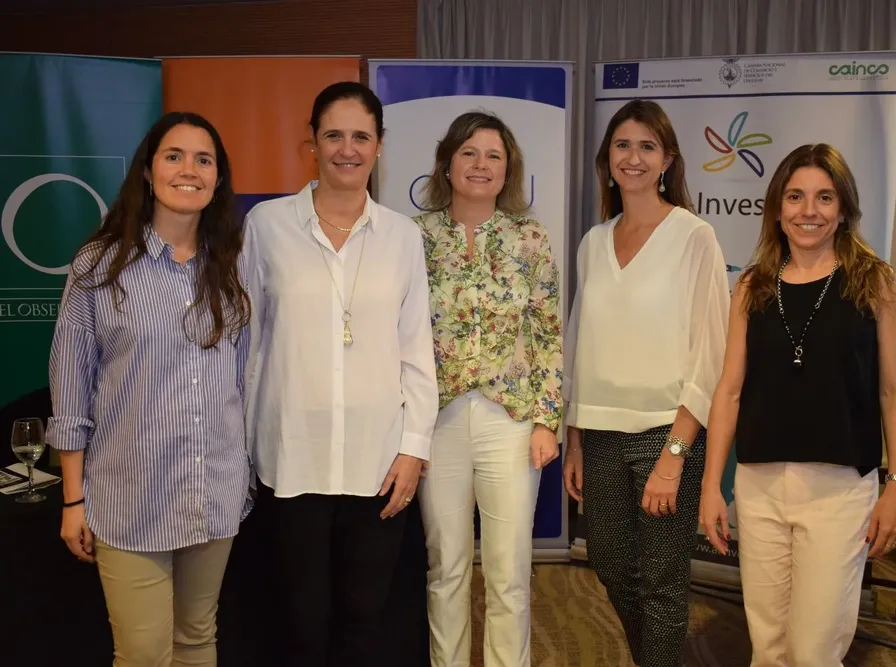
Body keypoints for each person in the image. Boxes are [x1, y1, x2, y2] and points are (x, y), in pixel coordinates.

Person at [242, 81, 438, 666]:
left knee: (363, 619)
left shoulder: (402, 235)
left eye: (360, 136)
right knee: (299, 620)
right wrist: (243, 445)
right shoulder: (266, 225)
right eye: (334, 135)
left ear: (379, 146)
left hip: (377, 463)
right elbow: (247, 345)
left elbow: (416, 350)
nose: (346, 149)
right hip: (290, 457)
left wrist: (414, 449)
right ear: (312, 143)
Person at [47, 111, 252, 667]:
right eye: (174, 156)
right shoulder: (100, 265)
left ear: (217, 179)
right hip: (129, 499)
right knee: (142, 654)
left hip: (213, 496)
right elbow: (70, 389)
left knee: (197, 639)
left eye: (204, 160)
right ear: (147, 171)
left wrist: (241, 478)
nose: (190, 170)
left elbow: (240, 384)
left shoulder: (230, 269)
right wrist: (73, 498)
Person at [699, 143, 896, 667]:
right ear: (777, 207)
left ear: (843, 207)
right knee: (768, 648)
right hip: (759, 487)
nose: (808, 211)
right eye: (795, 197)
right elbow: (728, 391)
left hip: (839, 493)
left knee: (814, 651)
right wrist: (711, 486)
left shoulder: (874, 282)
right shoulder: (752, 287)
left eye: (824, 197)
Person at [562, 100, 730, 667]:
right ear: (607, 159)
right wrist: (576, 439)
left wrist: (676, 453)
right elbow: (579, 342)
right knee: (609, 563)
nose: (633, 158)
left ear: (667, 161)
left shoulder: (693, 236)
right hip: (602, 434)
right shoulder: (593, 242)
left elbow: (712, 349)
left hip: (666, 431)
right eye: (622, 146)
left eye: (646, 147)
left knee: (660, 582)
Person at [413, 111, 563, 667]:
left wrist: (548, 419)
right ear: (447, 163)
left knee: (508, 571)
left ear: (508, 171)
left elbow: (549, 332)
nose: (481, 165)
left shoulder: (530, 238)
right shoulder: (414, 237)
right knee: (445, 567)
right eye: (469, 153)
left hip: (512, 425)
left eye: (493, 156)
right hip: (436, 423)